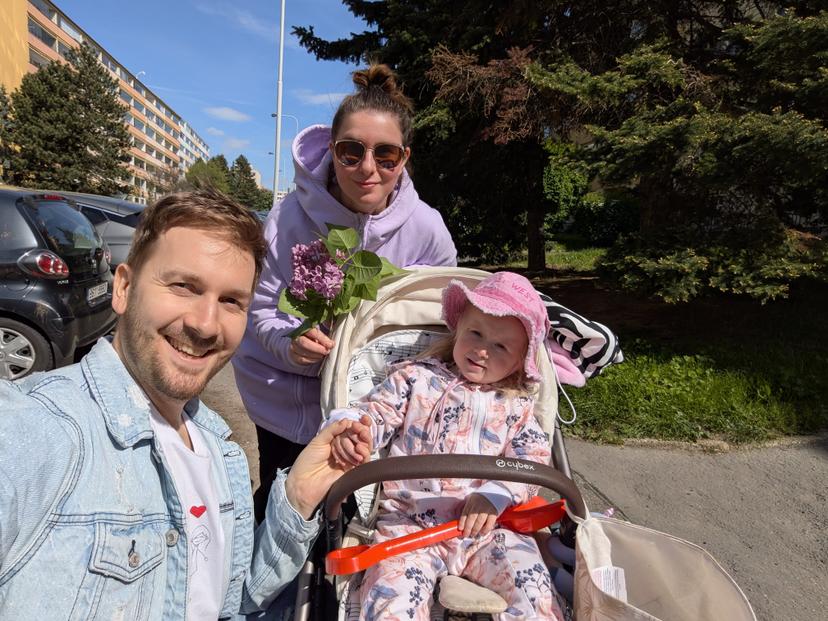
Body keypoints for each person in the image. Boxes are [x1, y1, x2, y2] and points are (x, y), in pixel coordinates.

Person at [0, 190, 370, 619]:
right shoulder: (39, 430)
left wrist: (299, 496)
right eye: (183, 286)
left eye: (231, 301)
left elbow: (228, 599)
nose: (205, 324)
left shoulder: (216, 448)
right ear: (123, 287)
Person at [232, 63, 458, 522]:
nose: (368, 168)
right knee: (284, 508)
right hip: (285, 400)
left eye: (386, 154)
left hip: (373, 407)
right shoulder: (289, 217)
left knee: (357, 520)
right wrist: (290, 345)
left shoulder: (427, 229)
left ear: (404, 158)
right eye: (351, 152)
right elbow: (259, 308)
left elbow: (446, 319)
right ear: (332, 151)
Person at [327, 272, 565, 621]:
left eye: (500, 347)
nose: (482, 350)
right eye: (475, 334)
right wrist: (357, 433)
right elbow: (377, 413)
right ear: (458, 330)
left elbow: (533, 459)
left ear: (519, 361)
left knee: (534, 588)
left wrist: (496, 493)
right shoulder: (415, 378)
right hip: (408, 525)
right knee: (390, 601)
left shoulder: (515, 406)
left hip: (487, 528)